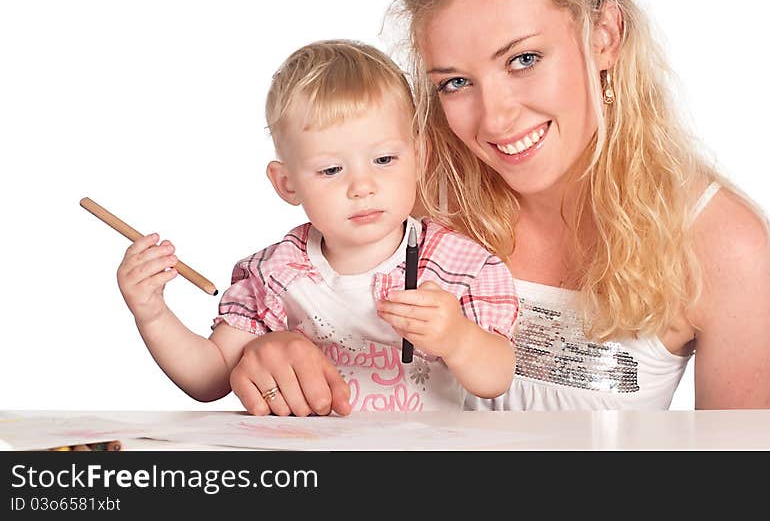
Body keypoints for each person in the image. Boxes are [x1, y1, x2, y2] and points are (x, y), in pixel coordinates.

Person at [229, 0, 770, 415]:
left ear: (605, 37)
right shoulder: (404, 195)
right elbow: (290, 304)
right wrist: (263, 353)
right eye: (455, 83)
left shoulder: (722, 243)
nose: (494, 119)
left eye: (523, 59)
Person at [116, 39, 519, 414]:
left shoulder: (457, 264)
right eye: (330, 169)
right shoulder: (276, 273)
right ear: (287, 184)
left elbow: (495, 379)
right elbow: (209, 377)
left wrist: (458, 338)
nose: (362, 187)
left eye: (383, 160)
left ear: (419, 156)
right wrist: (152, 313)